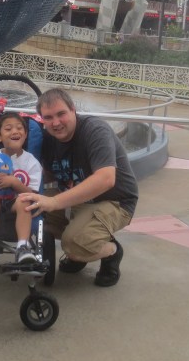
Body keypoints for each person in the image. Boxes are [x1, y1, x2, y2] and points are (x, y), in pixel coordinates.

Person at [18, 88, 138, 287]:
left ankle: (111, 251)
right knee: (27, 210)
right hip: (75, 198)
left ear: (73, 109)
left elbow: (106, 178)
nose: (56, 122)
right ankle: (81, 241)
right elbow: (45, 174)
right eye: (48, 117)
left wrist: (54, 201)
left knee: (74, 244)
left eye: (61, 114)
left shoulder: (94, 130)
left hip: (114, 201)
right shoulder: (48, 139)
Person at [0, 112, 42, 264]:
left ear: (25, 134)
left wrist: (15, 183)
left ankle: (22, 247)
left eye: (19, 128)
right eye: (8, 129)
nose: (15, 131)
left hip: (16, 204)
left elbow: (35, 196)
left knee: (24, 201)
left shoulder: (31, 163)